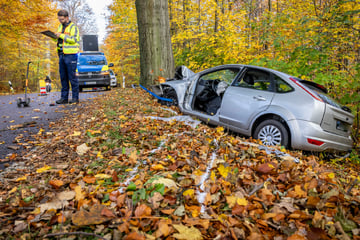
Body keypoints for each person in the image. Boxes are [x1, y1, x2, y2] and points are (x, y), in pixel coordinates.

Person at [55, 10, 80, 104]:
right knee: (63, 77)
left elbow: (74, 39)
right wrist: (54, 36)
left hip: (71, 55)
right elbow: (59, 39)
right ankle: (64, 98)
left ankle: (75, 98)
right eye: (59, 19)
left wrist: (61, 35)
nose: (60, 21)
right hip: (61, 54)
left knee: (72, 77)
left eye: (61, 19)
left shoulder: (73, 27)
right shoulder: (60, 26)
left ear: (66, 18)